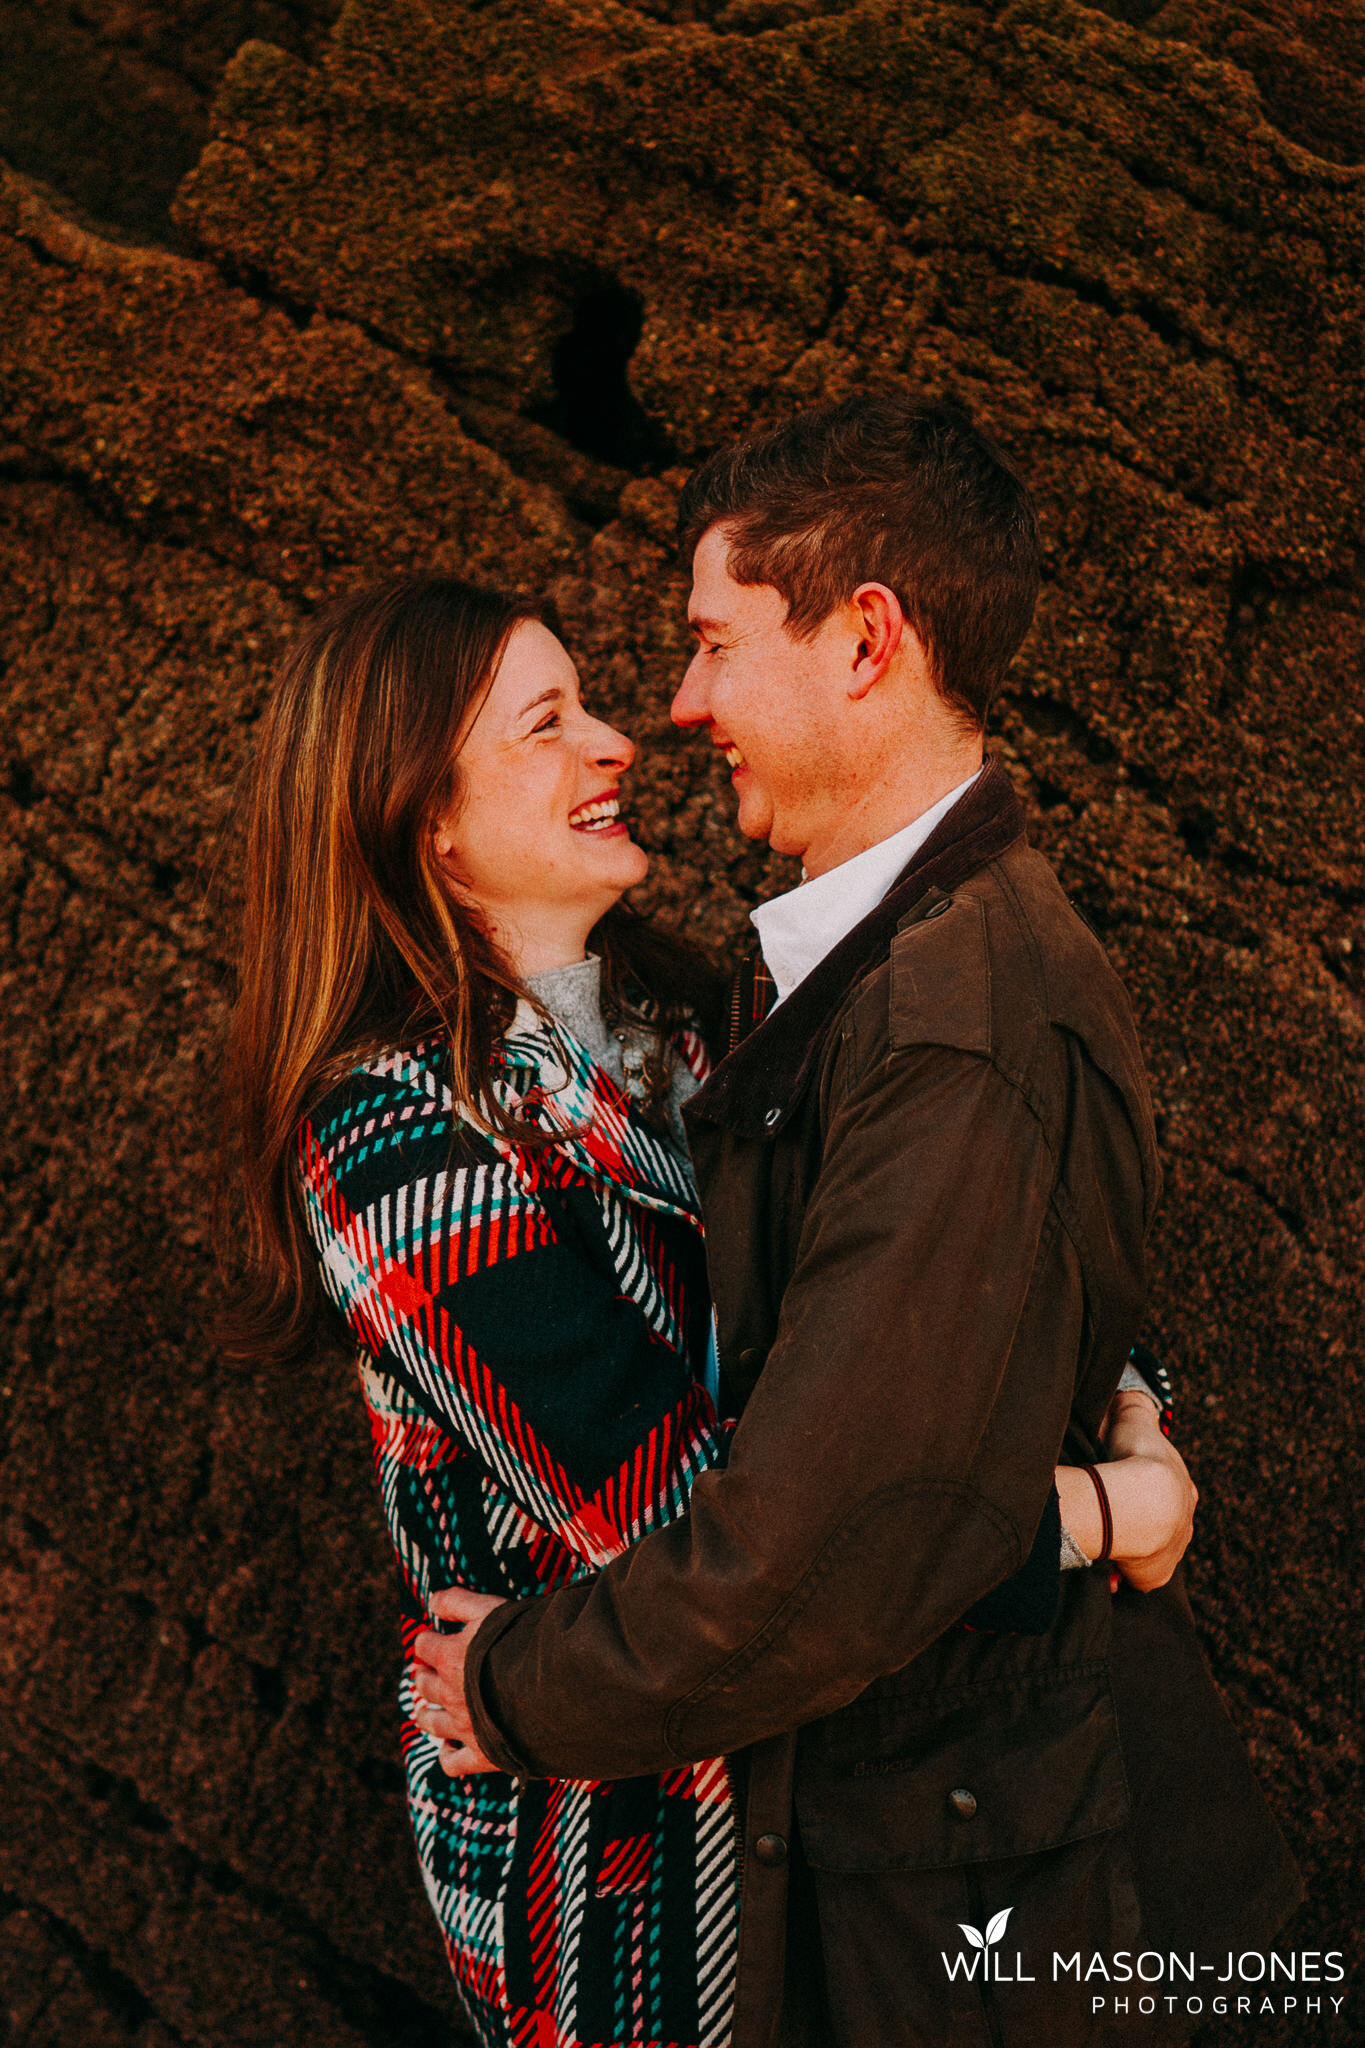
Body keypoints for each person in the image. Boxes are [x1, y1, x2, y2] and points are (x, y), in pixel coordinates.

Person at [412, 401, 1303, 2048]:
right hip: (930, 1871)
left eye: (711, 644)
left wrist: (516, 1691)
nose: (676, 711)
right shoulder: (838, 977)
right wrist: (1114, 1484)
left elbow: (827, 1539)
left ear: (865, 642)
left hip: (994, 1925)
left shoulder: (958, 1007)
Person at [222, 570, 1198, 2048]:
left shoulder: (703, 1030)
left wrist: (1127, 1394)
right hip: (621, 1874)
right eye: (547, 724)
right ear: (420, 811)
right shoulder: (400, 1151)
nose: (618, 742)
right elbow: (736, 1545)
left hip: (834, 1811)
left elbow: (924, 1294)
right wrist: (1106, 1511)